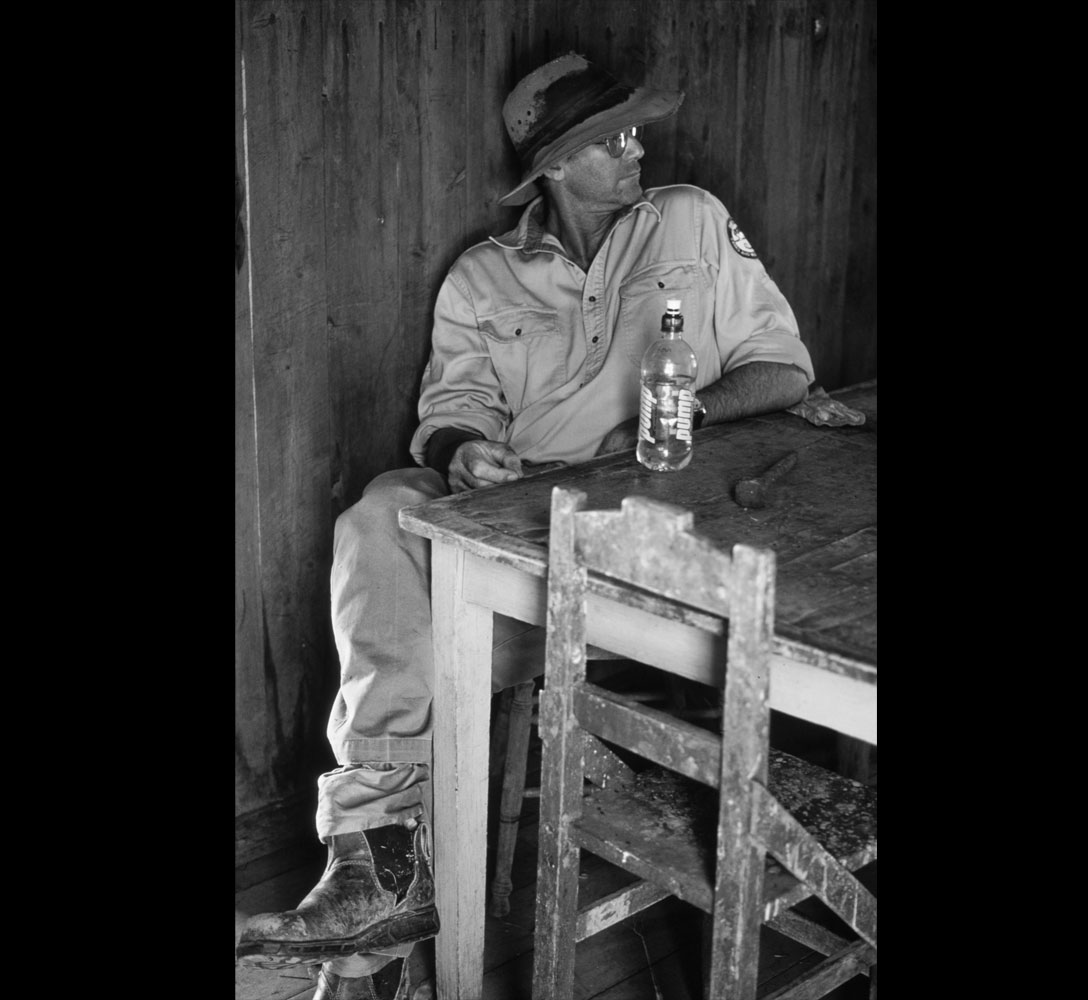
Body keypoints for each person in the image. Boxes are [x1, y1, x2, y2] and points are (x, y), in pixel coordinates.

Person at [235, 52, 814, 999]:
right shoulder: (482, 276)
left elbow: (784, 369)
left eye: (635, 131)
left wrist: (686, 410)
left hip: (660, 520)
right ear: (554, 165)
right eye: (610, 138)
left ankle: (376, 929)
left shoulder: (690, 220)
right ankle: (379, 860)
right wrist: (464, 449)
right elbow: (450, 406)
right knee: (379, 515)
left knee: (411, 642)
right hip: (521, 524)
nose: (637, 148)